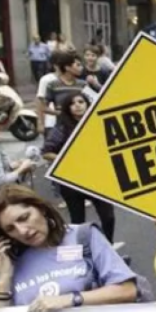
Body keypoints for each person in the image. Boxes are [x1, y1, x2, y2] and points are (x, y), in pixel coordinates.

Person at [0, 185, 139, 312]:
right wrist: (3, 278)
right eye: (10, 229)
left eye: (24, 218)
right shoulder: (9, 261)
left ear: (41, 208)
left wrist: (69, 300)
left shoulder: (83, 236)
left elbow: (127, 290)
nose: (22, 231)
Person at [41, 93, 117, 242]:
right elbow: (46, 152)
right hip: (72, 181)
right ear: (67, 108)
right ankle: (83, 251)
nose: (77, 105)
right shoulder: (62, 127)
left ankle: (109, 245)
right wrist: (69, 160)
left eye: (81, 101)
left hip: (98, 179)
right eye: (72, 103)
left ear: (88, 104)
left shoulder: (97, 123)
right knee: (78, 220)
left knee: (108, 216)